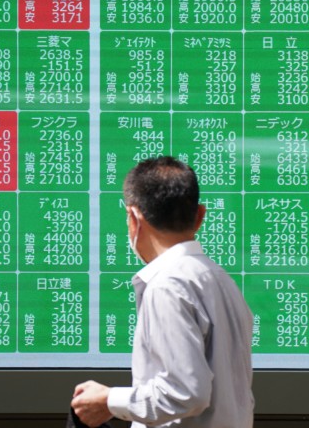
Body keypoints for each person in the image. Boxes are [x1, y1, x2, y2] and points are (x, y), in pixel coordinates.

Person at [71, 156, 254, 428]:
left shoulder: (167, 285)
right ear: (200, 215)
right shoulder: (220, 280)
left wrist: (108, 400)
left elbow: (186, 393)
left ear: (134, 218)